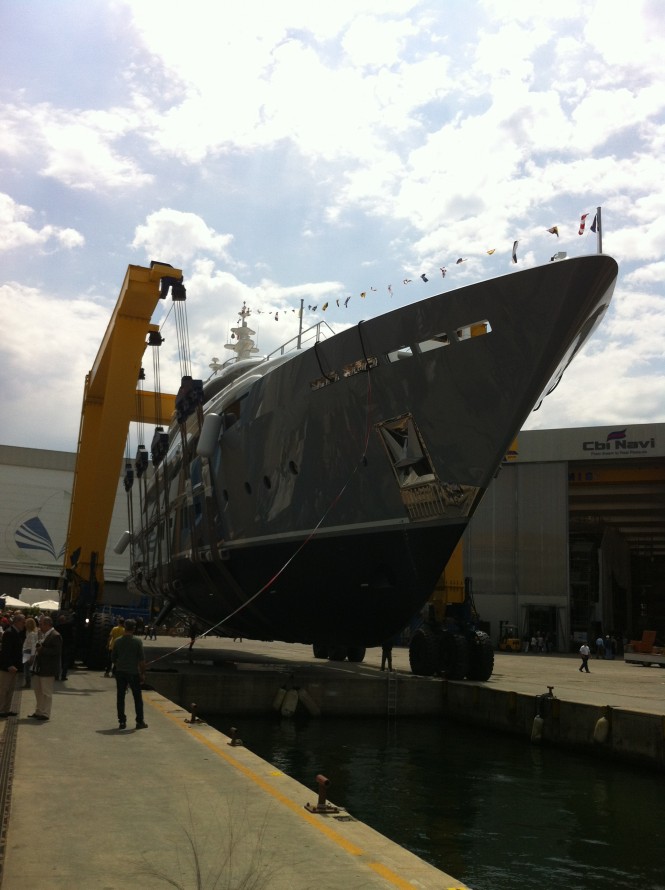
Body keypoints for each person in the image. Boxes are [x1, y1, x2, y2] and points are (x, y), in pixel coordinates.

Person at [112, 618, 147, 730]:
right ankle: (139, 722)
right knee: (137, 698)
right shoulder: (137, 641)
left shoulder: (117, 641)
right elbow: (141, 661)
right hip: (133, 673)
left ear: (125, 627)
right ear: (134, 628)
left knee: (120, 697)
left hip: (120, 673)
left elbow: (113, 658)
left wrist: (121, 665)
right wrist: (142, 673)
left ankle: (122, 722)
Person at [29, 615, 62, 720]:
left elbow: (57, 652)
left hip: (48, 669)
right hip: (38, 667)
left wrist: (42, 650)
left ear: (47, 624)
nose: (39, 626)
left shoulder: (55, 635)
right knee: (38, 691)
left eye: (41, 624)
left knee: (46, 692)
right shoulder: (42, 634)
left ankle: (45, 713)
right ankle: (38, 710)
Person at [0, 612, 26, 717]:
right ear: (17, 622)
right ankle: (1, 709)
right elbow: (6, 651)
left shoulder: (17, 633)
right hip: (7, 668)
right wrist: (9, 665)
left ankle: (6, 709)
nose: (24, 624)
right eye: (23, 622)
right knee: (3, 689)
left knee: (10, 689)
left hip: (14, 667)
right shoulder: (9, 632)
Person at [22, 616, 38, 688]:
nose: (24, 624)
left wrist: (32, 656)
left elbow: (33, 645)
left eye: (26, 623)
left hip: (28, 651)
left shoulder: (31, 634)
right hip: (27, 651)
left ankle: (28, 683)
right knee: (26, 668)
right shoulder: (29, 632)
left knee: (26, 668)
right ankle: (27, 682)